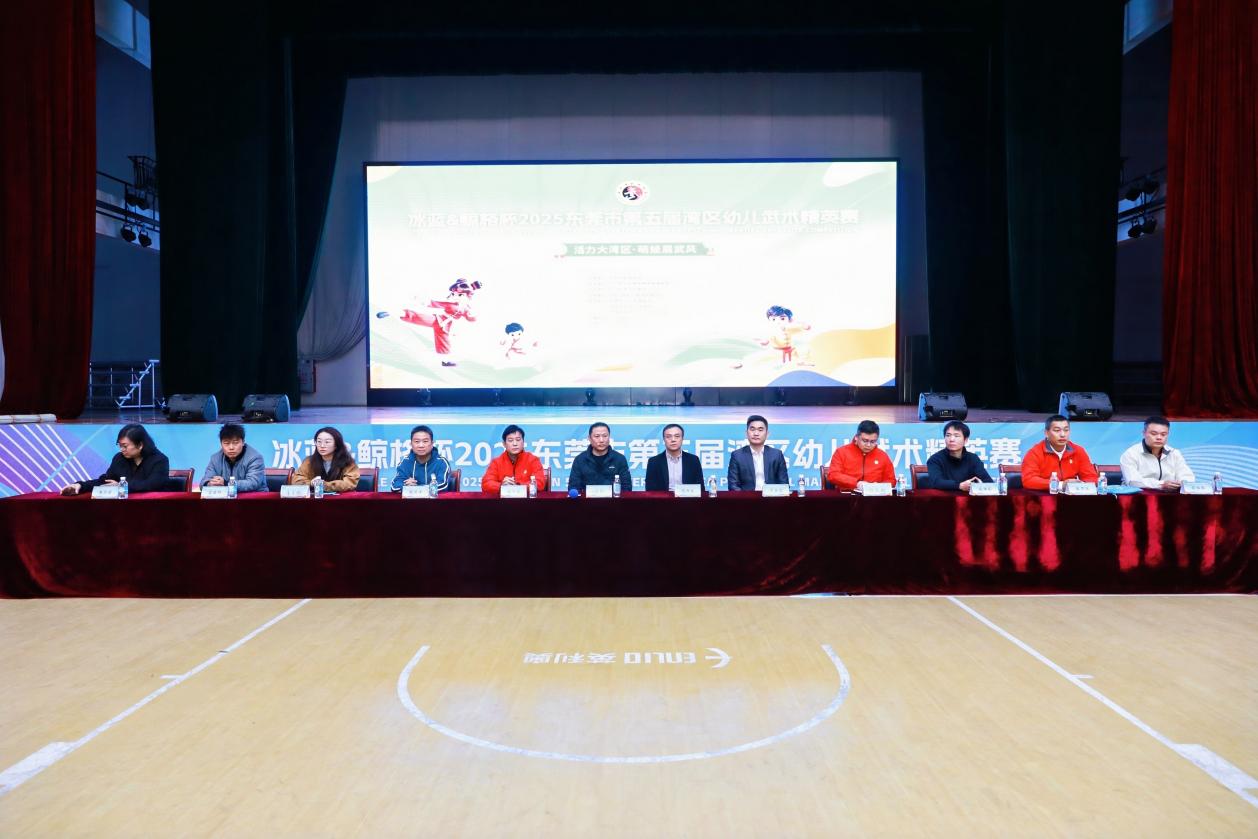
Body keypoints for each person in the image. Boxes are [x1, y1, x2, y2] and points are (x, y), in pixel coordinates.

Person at [376, 278, 481, 367]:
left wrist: (473, 316)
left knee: (444, 343)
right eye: (454, 293)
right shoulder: (450, 303)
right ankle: (396, 312)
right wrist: (422, 300)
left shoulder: (466, 307)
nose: (456, 295)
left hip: (447, 326)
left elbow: (471, 318)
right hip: (438, 320)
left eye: (460, 294)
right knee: (418, 317)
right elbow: (434, 303)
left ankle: (445, 361)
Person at [61, 424, 171, 495]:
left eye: (125, 446)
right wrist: (80, 485)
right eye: (120, 445)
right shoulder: (119, 458)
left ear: (140, 445)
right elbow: (105, 481)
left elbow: (152, 485)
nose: (121, 449)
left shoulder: (160, 460)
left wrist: (121, 486)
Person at [1020, 414, 1098, 490]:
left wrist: (1080, 485)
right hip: (1046, 495)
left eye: (1066, 430)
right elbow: (1028, 480)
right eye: (1057, 430)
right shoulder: (1035, 452)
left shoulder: (1078, 450)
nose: (1062, 434)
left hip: (1072, 494)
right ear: (1046, 433)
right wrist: (1060, 485)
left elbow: (1091, 477)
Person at [1119, 416, 1195, 490]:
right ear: (1144, 433)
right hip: (1138, 495)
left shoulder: (1174, 453)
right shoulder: (1131, 454)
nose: (1159, 437)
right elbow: (1133, 481)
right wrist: (1161, 484)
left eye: (1163, 434)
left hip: (1169, 495)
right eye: (1154, 434)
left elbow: (1187, 475)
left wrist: (1182, 482)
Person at [827, 420, 895, 490]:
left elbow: (891, 480)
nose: (868, 445)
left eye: (873, 441)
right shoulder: (841, 452)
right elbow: (833, 475)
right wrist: (856, 483)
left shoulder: (882, 456)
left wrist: (879, 486)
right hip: (847, 494)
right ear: (856, 437)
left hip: (874, 495)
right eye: (865, 441)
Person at [925, 420, 993, 491]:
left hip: (968, 497)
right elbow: (936, 482)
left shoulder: (973, 458)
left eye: (956, 436)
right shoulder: (935, 459)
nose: (951, 439)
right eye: (948, 435)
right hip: (944, 497)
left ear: (965, 440)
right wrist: (959, 486)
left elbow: (988, 481)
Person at [727, 414, 789, 491]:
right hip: (746, 497)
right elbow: (733, 485)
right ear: (746, 433)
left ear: (767, 434)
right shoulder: (737, 455)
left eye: (760, 430)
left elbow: (784, 484)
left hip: (771, 497)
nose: (756, 433)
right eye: (752, 429)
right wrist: (746, 497)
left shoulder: (776, 455)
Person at [481, 424, 547, 494]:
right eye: (510, 440)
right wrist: (501, 486)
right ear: (504, 444)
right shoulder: (496, 462)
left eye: (518, 440)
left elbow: (540, 483)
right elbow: (486, 484)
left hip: (527, 500)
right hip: (503, 501)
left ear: (523, 442)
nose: (515, 444)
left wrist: (517, 486)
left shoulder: (533, 460)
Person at [568, 422, 632, 493]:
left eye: (605, 436)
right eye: (597, 436)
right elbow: (573, 486)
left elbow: (627, 488)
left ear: (609, 437)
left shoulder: (619, 459)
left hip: (613, 499)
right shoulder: (580, 460)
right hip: (587, 499)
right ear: (589, 438)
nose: (601, 440)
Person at [201, 423, 267, 492]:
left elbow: (253, 483)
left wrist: (227, 483)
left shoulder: (255, 458)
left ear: (243, 442)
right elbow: (204, 482)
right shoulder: (215, 459)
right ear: (221, 444)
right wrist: (209, 484)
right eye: (226, 443)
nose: (231, 447)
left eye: (235, 443)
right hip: (226, 497)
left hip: (255, 496)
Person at [293, 426, 361, 493]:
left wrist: (324, 485)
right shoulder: (309, 461)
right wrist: (311, 483)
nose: (322, 446)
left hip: (340, 498)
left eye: (327, 442)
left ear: (336, 444)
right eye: (319, 441)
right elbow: (296, 480)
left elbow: (349, 483)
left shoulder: (347, 462)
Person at [390, 424, 453, 493]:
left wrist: (415, 489)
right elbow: (394, 486)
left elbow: (443, 485)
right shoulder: (405, 462)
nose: (421, 445)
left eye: (425, 441)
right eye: (417, 441)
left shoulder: (441, 462)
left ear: (432, 444)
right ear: (411, 444)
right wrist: (405, 486)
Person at [644, 423, 705, 491]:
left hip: (687, 497)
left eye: (677, 436)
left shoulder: (693, 460)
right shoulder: (654, 462)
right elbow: (650, 489)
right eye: (668, 437)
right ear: (664, 439)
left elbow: (700, 488)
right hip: (662, 497)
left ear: (682, 439)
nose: (673, 440)